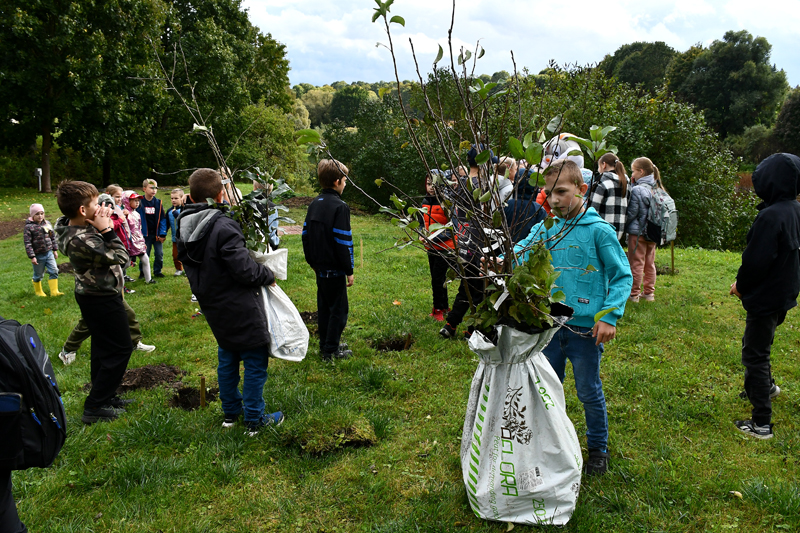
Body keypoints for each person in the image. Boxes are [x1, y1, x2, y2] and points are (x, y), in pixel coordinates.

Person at [507, 159, 632, 475]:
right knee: (549, 389)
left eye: (561, 191)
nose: (554, 199)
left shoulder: (599, 231)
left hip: (584, 331)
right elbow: (521, 250)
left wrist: (610, 316)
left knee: (589, 390)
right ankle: (552, 443)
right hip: (549, 327)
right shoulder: (546, 228)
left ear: (582, 190)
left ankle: (598, 449)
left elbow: (621, 275)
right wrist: (497, 258)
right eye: (549, 193)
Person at [177, 168, 283, 434]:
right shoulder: (223, 225)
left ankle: (231, 413)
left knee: (227, 355)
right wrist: (268, 274)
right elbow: (243, 269)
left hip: (212, 303)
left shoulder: (184, 223)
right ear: (221, 194)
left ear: (191, 195)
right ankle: (255, 420)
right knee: (255, 358)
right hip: (239, 303)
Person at [730, 153, 800, 440]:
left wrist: (741, 286)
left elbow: (756, 261)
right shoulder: (794, 209)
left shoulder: (770, 216)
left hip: (767, 295)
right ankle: (766, 387)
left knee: (754, 354)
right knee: (763, 341)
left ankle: (761, 423)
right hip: (784, 292)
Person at [54, 181, 133, 424]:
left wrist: (98, 222)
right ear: (81, 210)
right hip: (101, 298)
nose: (100, 207)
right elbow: (122, 257)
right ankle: (95, 406)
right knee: (121, 347)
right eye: (95, 204)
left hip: (93, 295)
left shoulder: (72, 226)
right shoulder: (83, 240)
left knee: (102, 347)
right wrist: (107, 229)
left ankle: (105, 396)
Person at [302, 159, 355, 361]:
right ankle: (330, 352)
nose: (345, 183)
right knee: (339, 311)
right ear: (336, 181)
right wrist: (348, 269)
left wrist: (312, 262)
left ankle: (326, 344)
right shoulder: (340, 207)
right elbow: (343, 241)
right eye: (344, 180)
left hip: (319, 268)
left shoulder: (314, 204)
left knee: (324, 308)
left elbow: (305, 235)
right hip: (334, 269)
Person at [439, 145, 491, 339]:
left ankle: (451, 324)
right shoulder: (484, 187)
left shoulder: (459, 185)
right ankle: (473, 329)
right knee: (480, 289)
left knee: (466, 286)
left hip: (462, 244)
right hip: (479, 245)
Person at [625, 157, 662, 302]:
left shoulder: (638, 190)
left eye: (633, 171)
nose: (632, 174)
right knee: (649, 263)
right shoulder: (657, 187)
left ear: (641, 172)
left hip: (638, 233)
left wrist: (624, 225)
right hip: (653, 233)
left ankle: (634, 294)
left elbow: (632, 213)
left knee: (636, 263)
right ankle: (649, 293)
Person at [421, 171, 455, 321]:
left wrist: (434, 238)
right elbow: (422, 222)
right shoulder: (424, 201)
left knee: (437, 278)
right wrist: (421, 234)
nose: (431, 188)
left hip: (445, 247)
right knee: (438, 278)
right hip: (431, 247)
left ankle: (438, 309)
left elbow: (452, 227)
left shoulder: (447, 202)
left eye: (435, 184)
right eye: (429, 184)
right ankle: (445, 306)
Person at [23, 203, 63, 297]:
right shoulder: (29, 227)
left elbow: (52, 237)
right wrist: (32, 256)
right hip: (38, 255)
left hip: (49, 253)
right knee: (39, 275)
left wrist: (55, 250)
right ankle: (38, 291)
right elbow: (27, 243)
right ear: (32, 215)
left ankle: (54, 291)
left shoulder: (47, 224)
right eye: (37, 214)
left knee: (54, 270)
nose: (40, 216)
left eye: (42, 213)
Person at [589, 153, 629, 241]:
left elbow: (593, 208)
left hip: (601, 229)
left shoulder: (601, 181)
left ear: (604, 165)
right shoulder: (625, 183)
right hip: (619, 229)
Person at [137, 178, 167, 278]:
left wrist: (162, 233)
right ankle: (143, 272)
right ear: (144, 189)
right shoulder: (139, 203)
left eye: (156, 188)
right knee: (145, 254)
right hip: (145, 235)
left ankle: (157, 271)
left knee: (159, 254)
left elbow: (163, 219)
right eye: (151, 188)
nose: (154, 190)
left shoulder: (158, 203)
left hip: (157, 234)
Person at [122, 192, 154, 284]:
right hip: (129, 242)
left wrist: (142, 242)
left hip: (138, 241)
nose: (137, 203)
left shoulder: (137, 214)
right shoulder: (124, 214)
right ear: (127, 201)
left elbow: (139, 229)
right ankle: (115, 275)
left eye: (138, 201)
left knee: (145, 259)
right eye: (135, 201)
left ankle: (148, 280)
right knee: (127, 263)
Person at [166, 188, 185, 276]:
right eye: (172, 198)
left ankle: (188, 270)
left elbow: (185, 220)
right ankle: (178, 269)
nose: (173, 200)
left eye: (176, 198)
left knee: (187, 254)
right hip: (175, 238)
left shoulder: (185, 210)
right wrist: (163, 233)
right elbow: (166, 223)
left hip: (185, 237)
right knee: (175, 255)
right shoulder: (169, 211)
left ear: (182, 198)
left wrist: (178, 216)